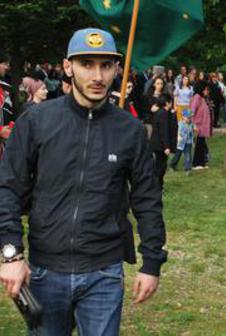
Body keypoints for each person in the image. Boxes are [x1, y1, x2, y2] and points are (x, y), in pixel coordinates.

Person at [0, 28, 167, 335]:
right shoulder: (37, 121)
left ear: (117, 68)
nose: (97, 75)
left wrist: (152, 261)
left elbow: (147, 197)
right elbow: (7, 187)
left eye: (105, 65)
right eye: (86, 64)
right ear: (68, 67)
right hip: (44, 271)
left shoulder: (129, 130)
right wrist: (10, 252)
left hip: (103, 272)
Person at [150, 93, 175, 189]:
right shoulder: (163, 114)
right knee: (160, 167)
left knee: (159, 166)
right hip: (160, 145)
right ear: (167, 103)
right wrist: (166, 147)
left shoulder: (159, 112)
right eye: (170, 102)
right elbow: (164, 131)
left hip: (156, 144)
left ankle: (158, 185)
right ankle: (157, 186)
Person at [190, 80, 213, 169]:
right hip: (198, 126)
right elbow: (191, 111)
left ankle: (202, 162)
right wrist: (193, 124)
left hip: (203, 127)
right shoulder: (197, 98)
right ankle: (196, 163)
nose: (207, 91)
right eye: (206, 89)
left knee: (202, 145)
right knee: (199, 145)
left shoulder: (202, 98)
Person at [169, 109, 194, 175]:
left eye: (190, 118)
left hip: (188, 142)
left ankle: (187, 169)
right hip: (180, 143)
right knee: (177, 155)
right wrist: (178, 139)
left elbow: (191, 133)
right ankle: (172, 165)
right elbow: (178, 133)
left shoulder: (191, 124)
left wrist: (192, 140)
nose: (189, 119)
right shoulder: (180, 124)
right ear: (183, 117)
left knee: (188, 155)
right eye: (188, 117)